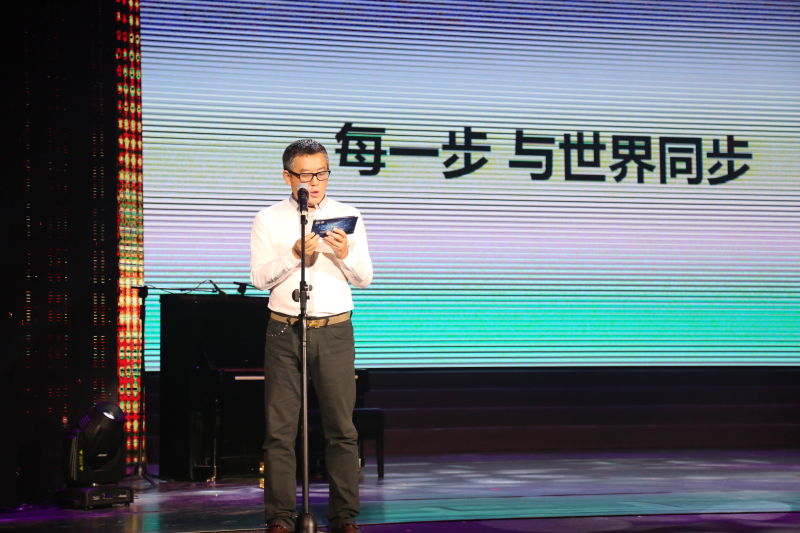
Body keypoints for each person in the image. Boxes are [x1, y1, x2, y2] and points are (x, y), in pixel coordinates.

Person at [250, 139, 373, 533]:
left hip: (334, 330)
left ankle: (344, 515)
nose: (315, 182)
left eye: (321, 174)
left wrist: (343, 254)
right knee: (280, 430)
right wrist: (293, 256)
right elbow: (259, 278)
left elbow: (365, 279)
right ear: (288, 177)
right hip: (284, 329)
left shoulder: (348, 215)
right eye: (306, 175)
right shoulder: (268, 219)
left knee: (341, 428)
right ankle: (280, 516)